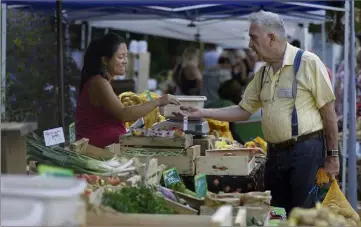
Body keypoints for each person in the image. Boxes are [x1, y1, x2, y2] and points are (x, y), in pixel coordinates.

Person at [180, 10, 339, 214]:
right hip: (275, 154)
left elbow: (329, 113)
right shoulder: (262, 73)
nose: (249, 45)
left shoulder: (308, 62)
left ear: (271, 38)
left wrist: (333, 157)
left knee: (304, 215)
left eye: (253, 38)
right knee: (277, 213)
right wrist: (202, 113)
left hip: (306, 152)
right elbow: (243, 110)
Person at [75, 33, 179, 148]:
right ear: (105, 60)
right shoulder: (98, 82)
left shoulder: (100, 81)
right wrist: (158, 101)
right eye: (120, 57)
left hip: (106, 149)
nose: (125, 61)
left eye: (126, 56)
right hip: (96, 151)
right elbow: (123, 114)